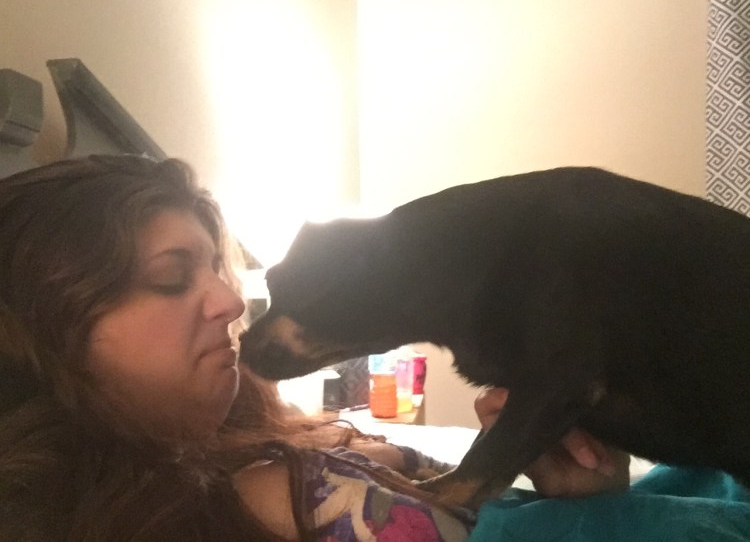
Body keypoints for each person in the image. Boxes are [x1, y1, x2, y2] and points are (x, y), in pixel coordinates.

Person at [0, 154, 630, 542]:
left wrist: (569, 493)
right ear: (42, 328)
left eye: (217, 269)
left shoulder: (258, 450)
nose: (229, 302)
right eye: (171, 278)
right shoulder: (271, 506)